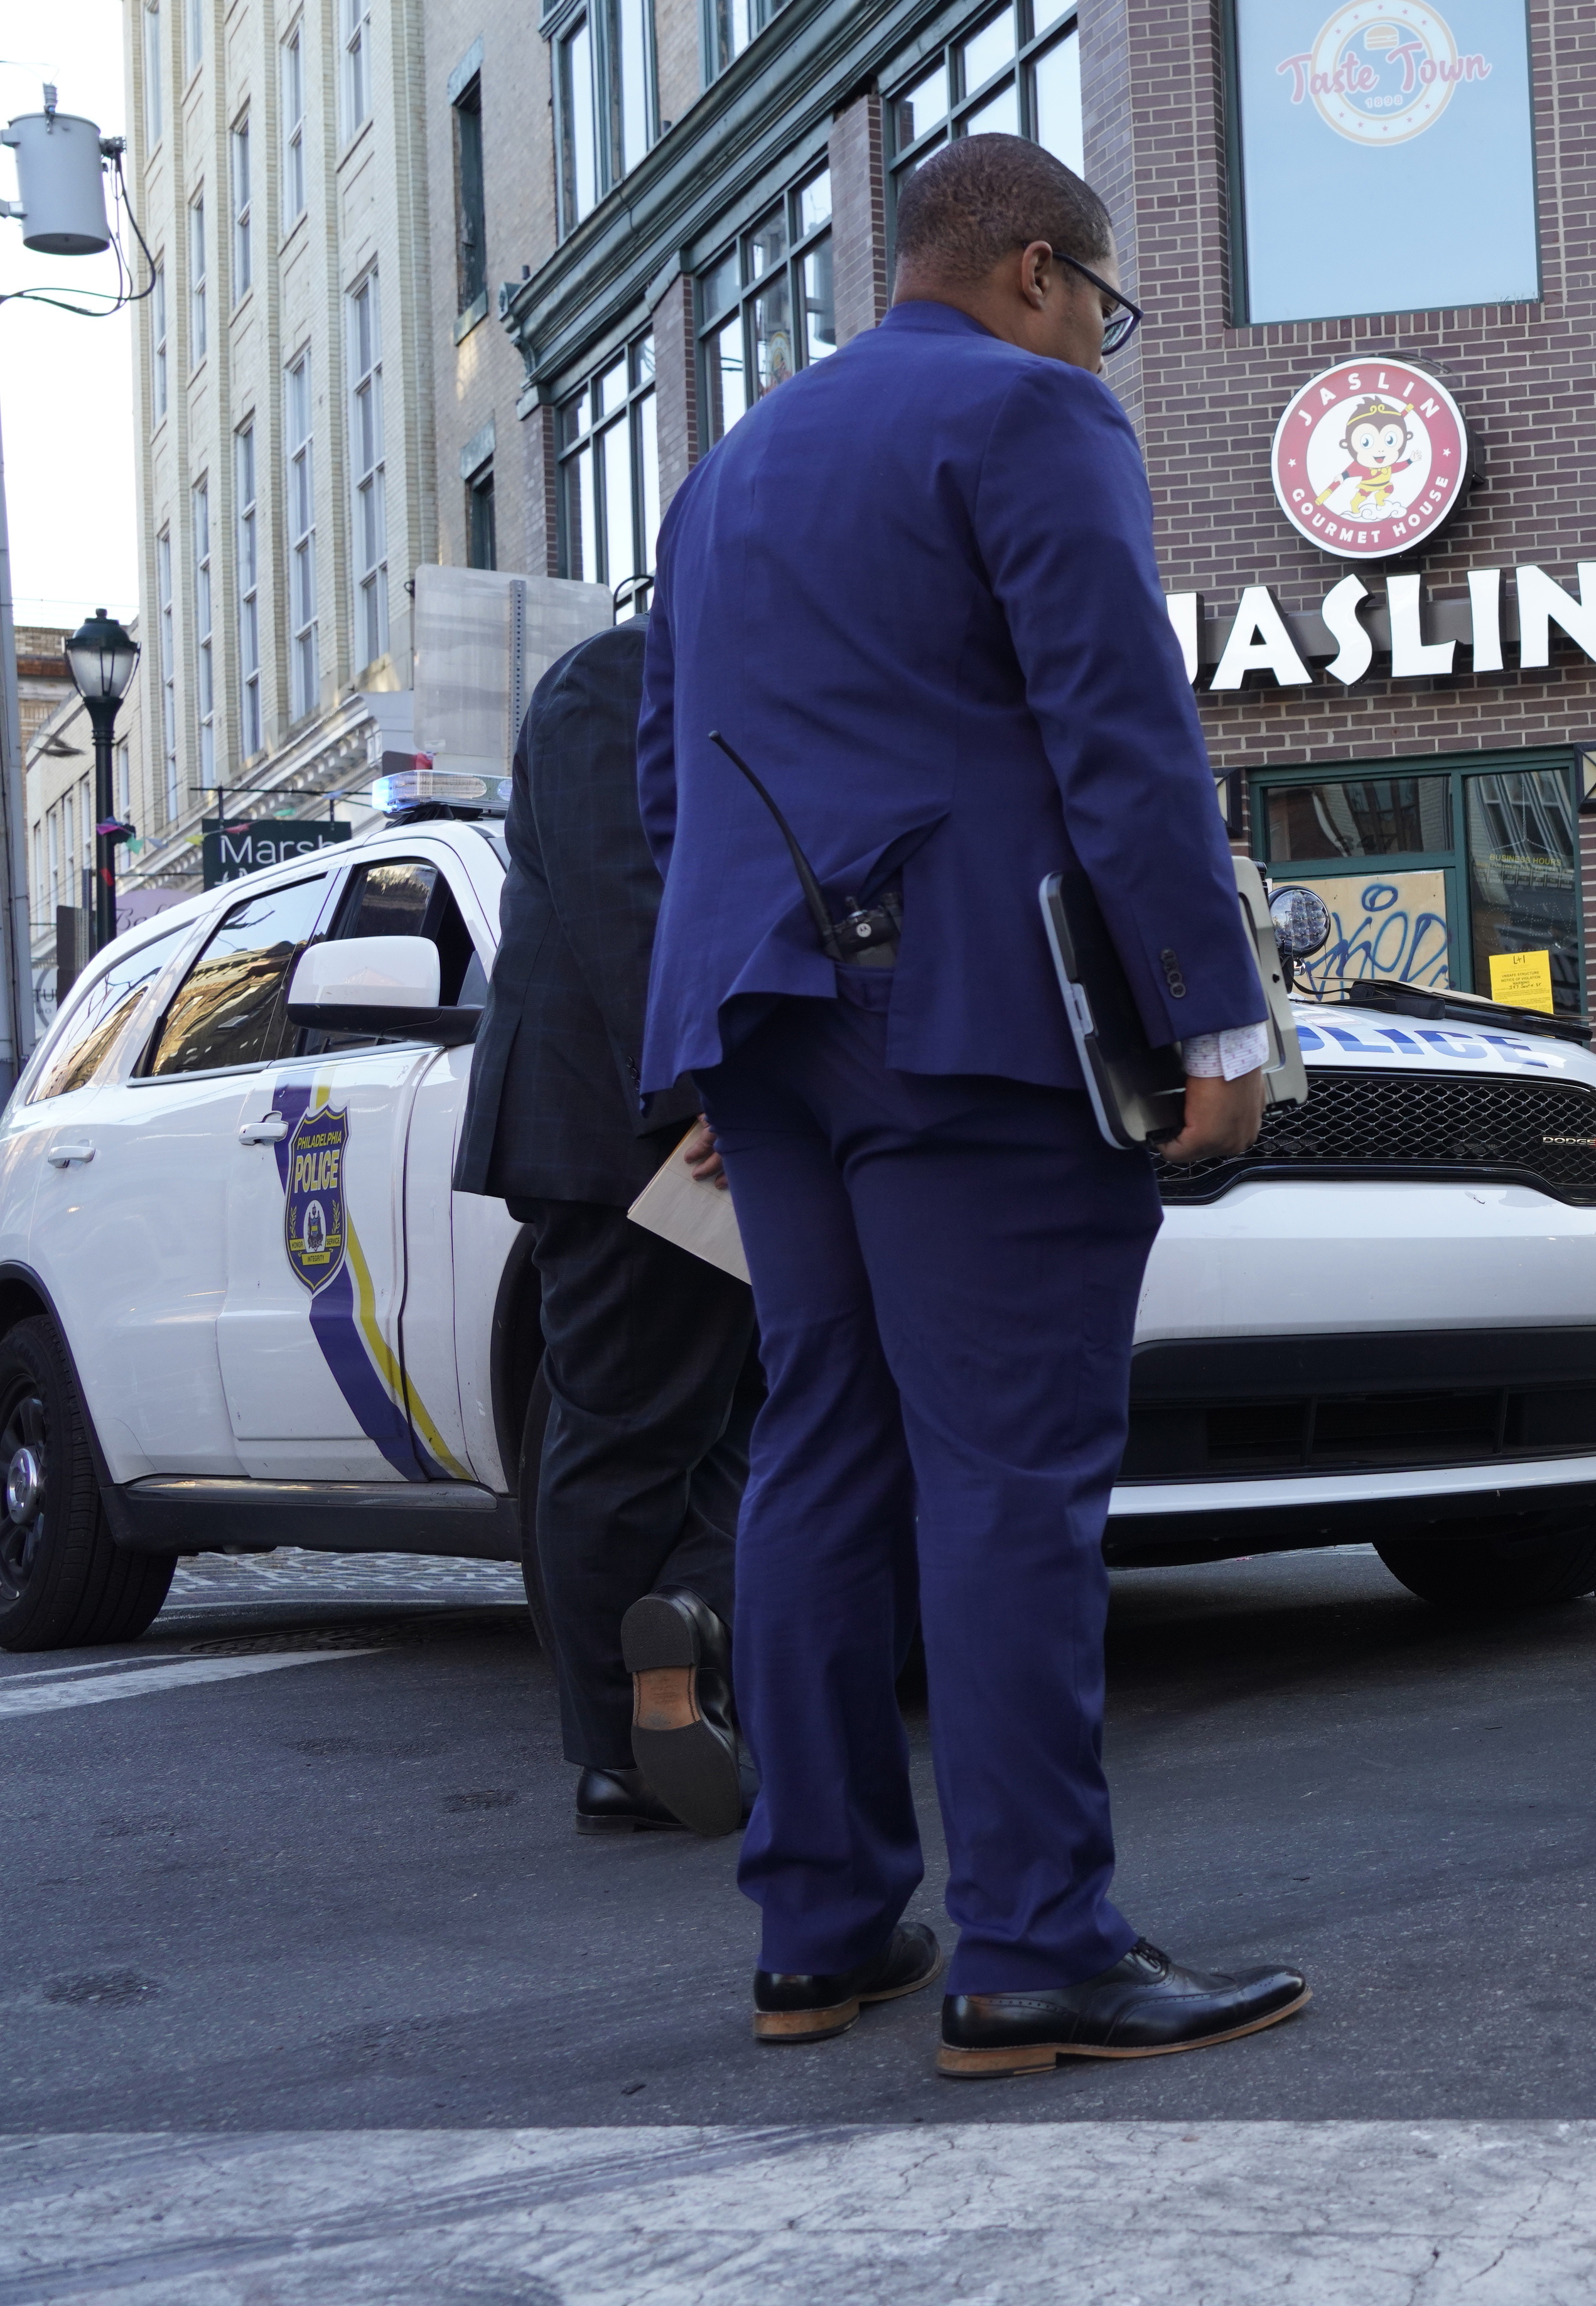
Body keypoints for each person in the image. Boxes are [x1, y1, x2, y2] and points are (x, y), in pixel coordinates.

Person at [640, 131, 1308, 2078]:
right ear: (1039, 270)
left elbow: (668, 793)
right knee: (1010, 1471)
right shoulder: (1033, 416)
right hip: (964, 1012)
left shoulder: (722, 473)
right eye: (1105, 306)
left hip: (766, 1018)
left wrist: (704, 1047)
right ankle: (1035, 1945)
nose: (1104, 343)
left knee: (819, 1447)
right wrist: (1215, 1017)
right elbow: (1121, 730)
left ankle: (819, 1927)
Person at [453, 617, 760, 1844]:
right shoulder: (607, 680)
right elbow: (622, 896)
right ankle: (617, 1750)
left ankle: (681, 1647)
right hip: (635, 1125)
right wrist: (710, 1077)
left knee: (746, 1416)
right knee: (629, 1426)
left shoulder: (727, 676)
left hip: (700, 1116)